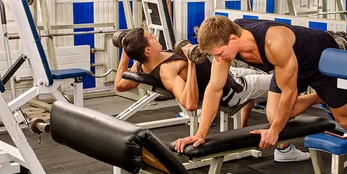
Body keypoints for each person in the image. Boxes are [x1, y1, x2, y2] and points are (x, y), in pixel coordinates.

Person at [173, 17, 347, 158]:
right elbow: (214, 89)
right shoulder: (226, 41)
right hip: (285, 67)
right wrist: (200, 134)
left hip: (320, 60)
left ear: (233, 39)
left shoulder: (273, 42)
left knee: (346, 120)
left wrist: (274, 132)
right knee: (274, 115)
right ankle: (317, 97)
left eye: (219, 53)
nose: (218, 59)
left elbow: (290, 91)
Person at [116, 28, 319, 161]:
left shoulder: (142, 65)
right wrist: (191, 63)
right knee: (289, 82)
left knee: (273, 74)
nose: (154, 35)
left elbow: (119, 85)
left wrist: (125, 53)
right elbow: (190, 104)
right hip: (235, 89)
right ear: (148, 50)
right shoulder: (166, 71)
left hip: (229, 74)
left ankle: (246, 130)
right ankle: (318, 98)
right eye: (150, 38)